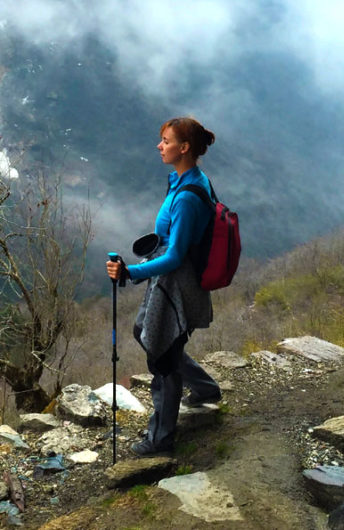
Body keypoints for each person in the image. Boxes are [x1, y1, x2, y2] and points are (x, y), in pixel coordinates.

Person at [106, 116, 222, 456]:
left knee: (162, 351)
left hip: (176, 285)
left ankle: (160, 439)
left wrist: (131, 273)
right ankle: (205, 388)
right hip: (166, 281)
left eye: (166, 141)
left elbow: (175, 257)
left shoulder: (187, 195)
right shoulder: (184, 181)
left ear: (183, 148)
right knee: (145, 330)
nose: (160, 145)